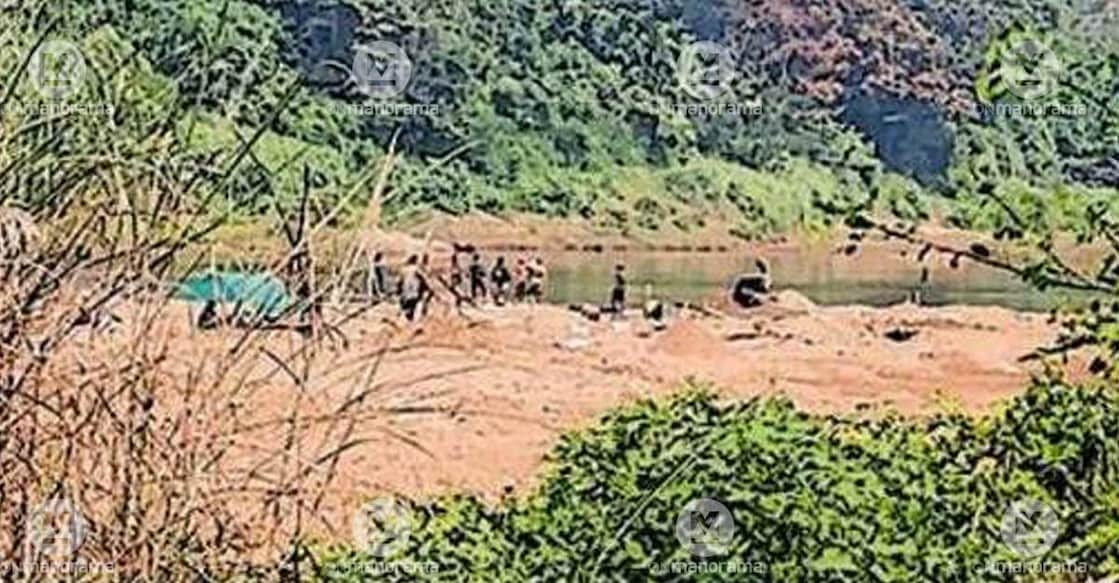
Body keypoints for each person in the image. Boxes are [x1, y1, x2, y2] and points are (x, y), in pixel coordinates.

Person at [398, 255, 429, 321]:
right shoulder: (416, 269)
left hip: (405, 292)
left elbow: (399, 281)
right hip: (414, 291)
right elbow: (423, 278)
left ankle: (408, 317)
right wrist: (427, 287)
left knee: (407, 306)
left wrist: (398, 290)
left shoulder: (403, 269)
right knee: (416, 304)